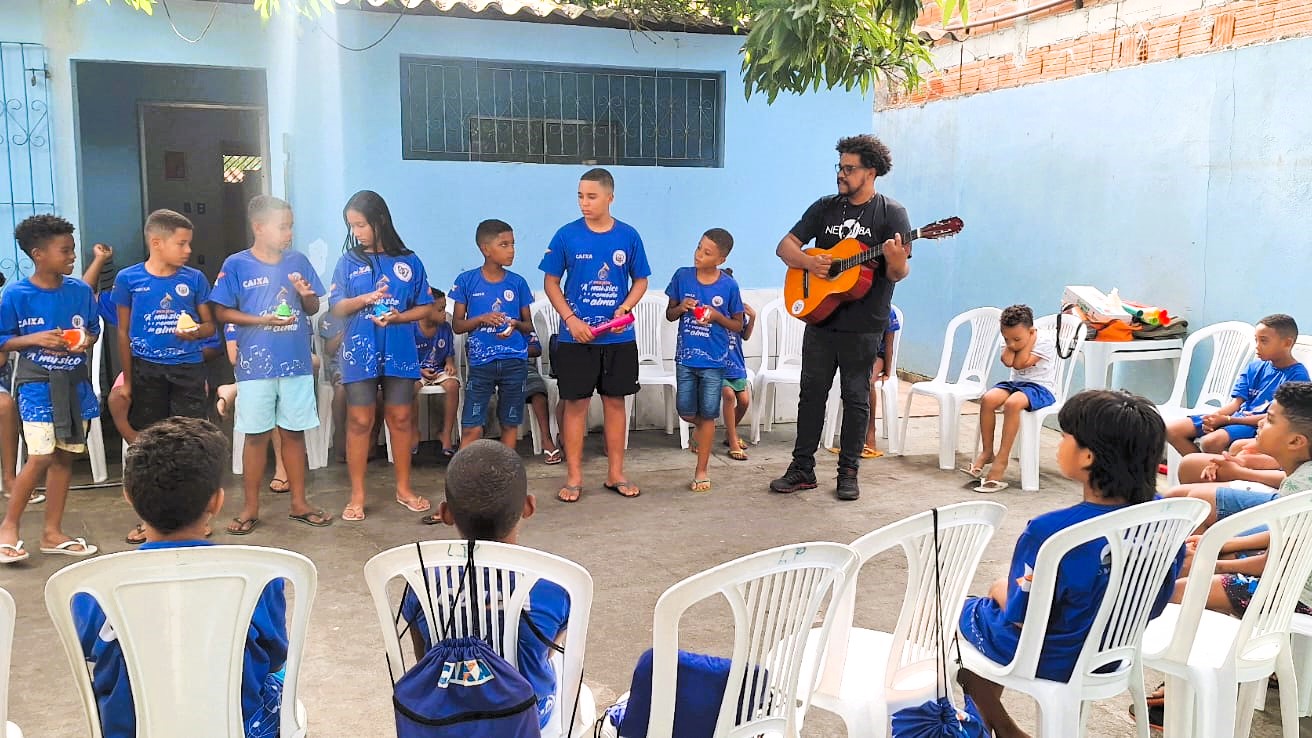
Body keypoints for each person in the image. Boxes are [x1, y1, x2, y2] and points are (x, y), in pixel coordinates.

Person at [958, 390, 1180, 738]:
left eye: (1064, 437)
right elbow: (1157, 600)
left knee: (961, 615)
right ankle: (1004, 727)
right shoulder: (1168, 515)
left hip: (1054, 656)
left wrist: (999, 590)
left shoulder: (1052, 531)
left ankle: (990, 723)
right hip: (1113, 651)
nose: (1059, 444)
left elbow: (1021, 613)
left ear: (1087, 456)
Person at [73, 417, 289, 738]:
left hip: (131, 731)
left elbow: (88, 651)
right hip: (234, 728)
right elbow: (274, 657)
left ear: (128, 497)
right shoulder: (260, 579)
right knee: (279, 676)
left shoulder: (92, 591)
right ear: (216, 501)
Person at [1141, 381, 1312, 728]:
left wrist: (1215, 558)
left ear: (1296, 441)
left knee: (1177, 591)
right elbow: (1283, 535)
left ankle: (1189, 688)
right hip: (1289, 570)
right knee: (1195, 556)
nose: (1262, 422)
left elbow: (1276, 561)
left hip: (1295, 592)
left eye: (1272, 419)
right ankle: (1190, 680)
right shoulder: (1300, 481)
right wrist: (1221, 545)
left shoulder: (1301, 488)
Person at [769, 135, 910, 501]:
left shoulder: (890, 214)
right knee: (811, 394)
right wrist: (809, 262)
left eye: (850, 169)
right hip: (820, 319)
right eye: (840, 168)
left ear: (871, 172)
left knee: (855, 395)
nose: (841, 175)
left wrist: (895, 258)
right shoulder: (825, 208)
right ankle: (802, 468)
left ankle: (849, 471)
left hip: (865, 324)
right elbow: (785, 246)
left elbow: (896, 273)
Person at [401, 440, 571, 734]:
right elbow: (546, 654)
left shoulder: (422, 583)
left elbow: (424, 658)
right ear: (529, 506)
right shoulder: (554, 587)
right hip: (528, 723)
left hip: (444, 721)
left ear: (445, 513)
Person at [210, 195, 331, 534]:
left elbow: (309, 307)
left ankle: (299, 502)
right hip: (255, 367)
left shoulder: (298, 261)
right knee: (256, 436)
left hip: (294, 363)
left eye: (291, 226)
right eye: (282, 226)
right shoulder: (237, 265)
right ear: (259, 227)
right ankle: (250, 507)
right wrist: (260, 320)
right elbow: (221, 312)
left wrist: (305, 294)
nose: (289, 233)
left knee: (293, 434)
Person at [540, 168, 650, 503]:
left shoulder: (628, 236)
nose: (584, 203)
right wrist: (570, 320)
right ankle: (574, 477)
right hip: (577, 339)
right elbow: (550, 282)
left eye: (591, 196)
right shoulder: (566, 236)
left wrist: (625, 308)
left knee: (616, 404)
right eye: (580, 196)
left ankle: (615, 473)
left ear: (609, 198)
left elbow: (641, 280)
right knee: (576, 405)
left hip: (617, 338)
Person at [0, 214, 101, 563]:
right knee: (41, 454)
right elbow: (3, 339)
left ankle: (51, 532)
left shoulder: (81, 291)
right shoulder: (15, 295)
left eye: (72, 250)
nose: (73, 256)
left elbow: (91, 329)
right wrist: (33, 338)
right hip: (36, 385)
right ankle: (8, 527)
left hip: (74, 384)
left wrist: (85, 340)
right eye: (65, 250)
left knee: (63, 458)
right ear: (38, 254)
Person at [329, 190, 433, 521]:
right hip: (360, 350)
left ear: (380, 220)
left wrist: (399, 317)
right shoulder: (348, 263)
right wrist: (366, 298)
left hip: (399, 349)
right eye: (352, 226)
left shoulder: (410, 260)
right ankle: (357, 495)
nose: (356, 232)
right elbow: (337, 306)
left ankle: (404, 488)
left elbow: (426, 306)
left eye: (360, 225)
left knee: (401, 419)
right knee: (360, 420)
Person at [665, 229, 744, 492]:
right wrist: (682, 307)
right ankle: (702, 430)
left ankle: (702, 470)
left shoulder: (729, 286)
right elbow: (670, 314)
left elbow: (737, 324)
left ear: (720, 260)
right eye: (698, 248)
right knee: (687, 411)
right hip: (686, 357)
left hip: (714, 360)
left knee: (709, 413)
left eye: (707, 252)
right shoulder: (682, 276)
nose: (699, 255)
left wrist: (716, 317)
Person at [1164, 314, 1308, 456]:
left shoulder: (1298, 376)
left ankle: (1214, 474)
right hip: (1235, 417)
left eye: (1264, 341)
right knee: (1172, 430)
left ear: (1287, 343)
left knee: (1210, 442)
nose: (1257, 346)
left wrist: (1228, 420)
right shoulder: (1254, 367)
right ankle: (1202, 471)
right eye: (1256, 340)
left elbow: (1278, 419)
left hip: (1255, 425)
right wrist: (1213, 418)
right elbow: (1235, 404)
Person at [450, 219, 534, 449]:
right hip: (481, 364)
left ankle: (506, 477)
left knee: (509, 424)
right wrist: (480, 319)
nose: (512, 250)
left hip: (514, 362)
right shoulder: (466, 281)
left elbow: (529, 326)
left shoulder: (518, 283)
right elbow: (457, 325)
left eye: (513, 244)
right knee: (472, 426)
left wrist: (515, 323)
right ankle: (464, 478)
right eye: (504, 245)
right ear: (486, 249)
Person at [966, 305, 1057, 493]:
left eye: (1017, 339)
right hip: (1016, 384)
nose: (1012, 344)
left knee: (1013, 403)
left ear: (1031, 331)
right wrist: (1016, 342)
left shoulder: (1045, 340)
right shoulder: (1010, 338)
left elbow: (1021, 363)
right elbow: (1009, 361)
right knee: (989, 399)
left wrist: (1029, 341)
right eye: (1007, 339)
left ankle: (1002, 458)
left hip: (1040, 388)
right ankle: (987, 451)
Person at [827, 309, 899, 459]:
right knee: (851, 382)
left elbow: (889, 345)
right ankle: (850, 434)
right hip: (856, 354)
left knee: (867, 382)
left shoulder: (888, 313)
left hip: (877, 356)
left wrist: (888, 370)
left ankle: (870, 430)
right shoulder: (854, 308)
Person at [413, 287, 459, 458]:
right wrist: (419, 370)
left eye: (445, 308)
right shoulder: (412, 328)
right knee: (410, 388)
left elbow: (449, 354)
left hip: (438, 369)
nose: (444, 314)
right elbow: (405, 356)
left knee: (453, 386)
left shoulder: (445, 328)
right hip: (417, 370)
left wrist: (450, 364)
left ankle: (446, 433)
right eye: (440, 310)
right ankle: (414, 432)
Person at [719, 271, 755, 462]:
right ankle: (732, 440)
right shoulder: (715, 313)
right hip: (720, 366)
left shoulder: (737, 312)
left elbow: (745, 335)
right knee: (728, 395)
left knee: (744, 401)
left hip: (737, 365)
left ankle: (729, 433)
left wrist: (753, 317)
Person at [524, 330, 562, 465]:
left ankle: (547, 439)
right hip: (487, 365)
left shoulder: (519, 319)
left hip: (520, 364)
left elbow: (536, 349)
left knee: (538, 389)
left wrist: (512, 349)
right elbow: (471, 349)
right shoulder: (479, 315)